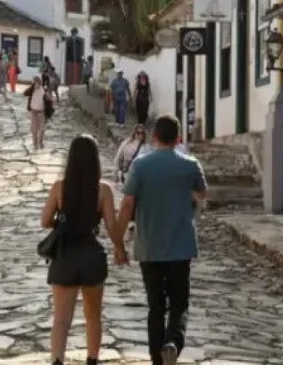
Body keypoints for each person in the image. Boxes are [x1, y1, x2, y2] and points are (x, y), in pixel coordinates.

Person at [114, 115, 208, 365]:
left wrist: (118, 242)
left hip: (149, 245)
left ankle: (157, 359)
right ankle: (172, 342)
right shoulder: (190, 165)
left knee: (156, 306)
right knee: (179, 303)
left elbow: (126, 205)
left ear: (153, 136)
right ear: (178, 138)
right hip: (181, 245)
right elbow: (201, 193)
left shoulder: (141, 166)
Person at [41, 134, 126, 365]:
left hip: (65, 255)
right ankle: (92, 359)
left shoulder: (59, 187)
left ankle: (58, 360)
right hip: (91, 256)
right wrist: (121, 250)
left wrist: (59, 222)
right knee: (93, 316)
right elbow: (111, 226)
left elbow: (44, 220)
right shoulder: (103, 191)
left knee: (61, 318)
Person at [24, 75, 48, 149]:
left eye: (37, 82)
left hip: (41, 112)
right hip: (33, 111)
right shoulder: (31, 90)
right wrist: (32, 87)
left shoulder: (43, 90)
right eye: (34, 82)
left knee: (42, 128)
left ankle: (40, 142)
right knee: (34, 129)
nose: (35, 83)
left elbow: (47, 100)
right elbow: (25, 93)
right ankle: (35, 144)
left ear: (40, 82)